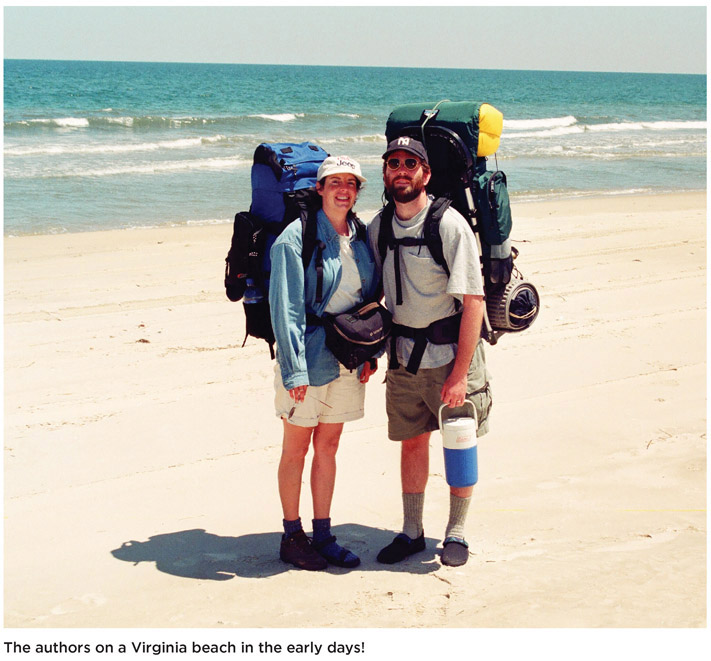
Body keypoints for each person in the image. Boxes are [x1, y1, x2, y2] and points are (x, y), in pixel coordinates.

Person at [367, 137, 493, 567]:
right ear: (385, 173)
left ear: (426, 173)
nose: (401, 170)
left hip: (450, 357)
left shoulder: (449, 225)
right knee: (411, 443)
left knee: (459, 445)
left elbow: (473, 302)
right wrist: (368, 350)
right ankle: (411, 531)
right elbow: (373, 292)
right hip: (403, 359)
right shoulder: (378, 226)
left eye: (410, 163)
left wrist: (460, 375)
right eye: (393, 163)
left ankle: (456, 532)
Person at [269, 155, 379, 571]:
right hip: (307, 357)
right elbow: (286, 310)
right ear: (319, 188)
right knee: (296, 449)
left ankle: (324, 534)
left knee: (328, 447)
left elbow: (368, 298)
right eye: (335, 181)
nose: (343, 189)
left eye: (351, 182)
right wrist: (293, 369)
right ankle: (292, 535)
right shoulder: (293, 240)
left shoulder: (360, 234)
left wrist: (369, 352)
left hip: (348, 357)